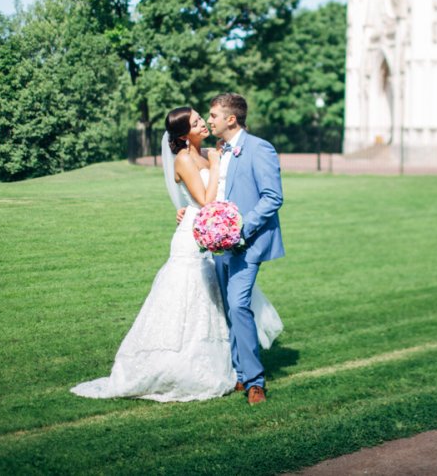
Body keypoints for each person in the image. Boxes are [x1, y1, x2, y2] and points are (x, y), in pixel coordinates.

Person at [70, 106, 281, 402]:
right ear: (184, 134)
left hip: (214, 235)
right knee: (185, 299)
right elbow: (205, 200)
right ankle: (176, 364)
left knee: (216, 304)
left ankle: (231, 369)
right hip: (195, 238)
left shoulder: (210, 151)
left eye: (202, 118)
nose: (203, 123)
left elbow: (225, 190)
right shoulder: (185, 158)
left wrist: (208, 178)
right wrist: (213, 167)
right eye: (196, 122)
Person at [207, 92, 285, 405]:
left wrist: (240, 230)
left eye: (213, 115)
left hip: (246, 243)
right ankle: (240, 373)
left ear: (231, 119)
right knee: (229, 308)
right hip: (218, 245)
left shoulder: (259, 148)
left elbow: (272, 197)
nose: (209, 121)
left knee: (239, 305)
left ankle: (255, 382)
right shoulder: (219, 150)